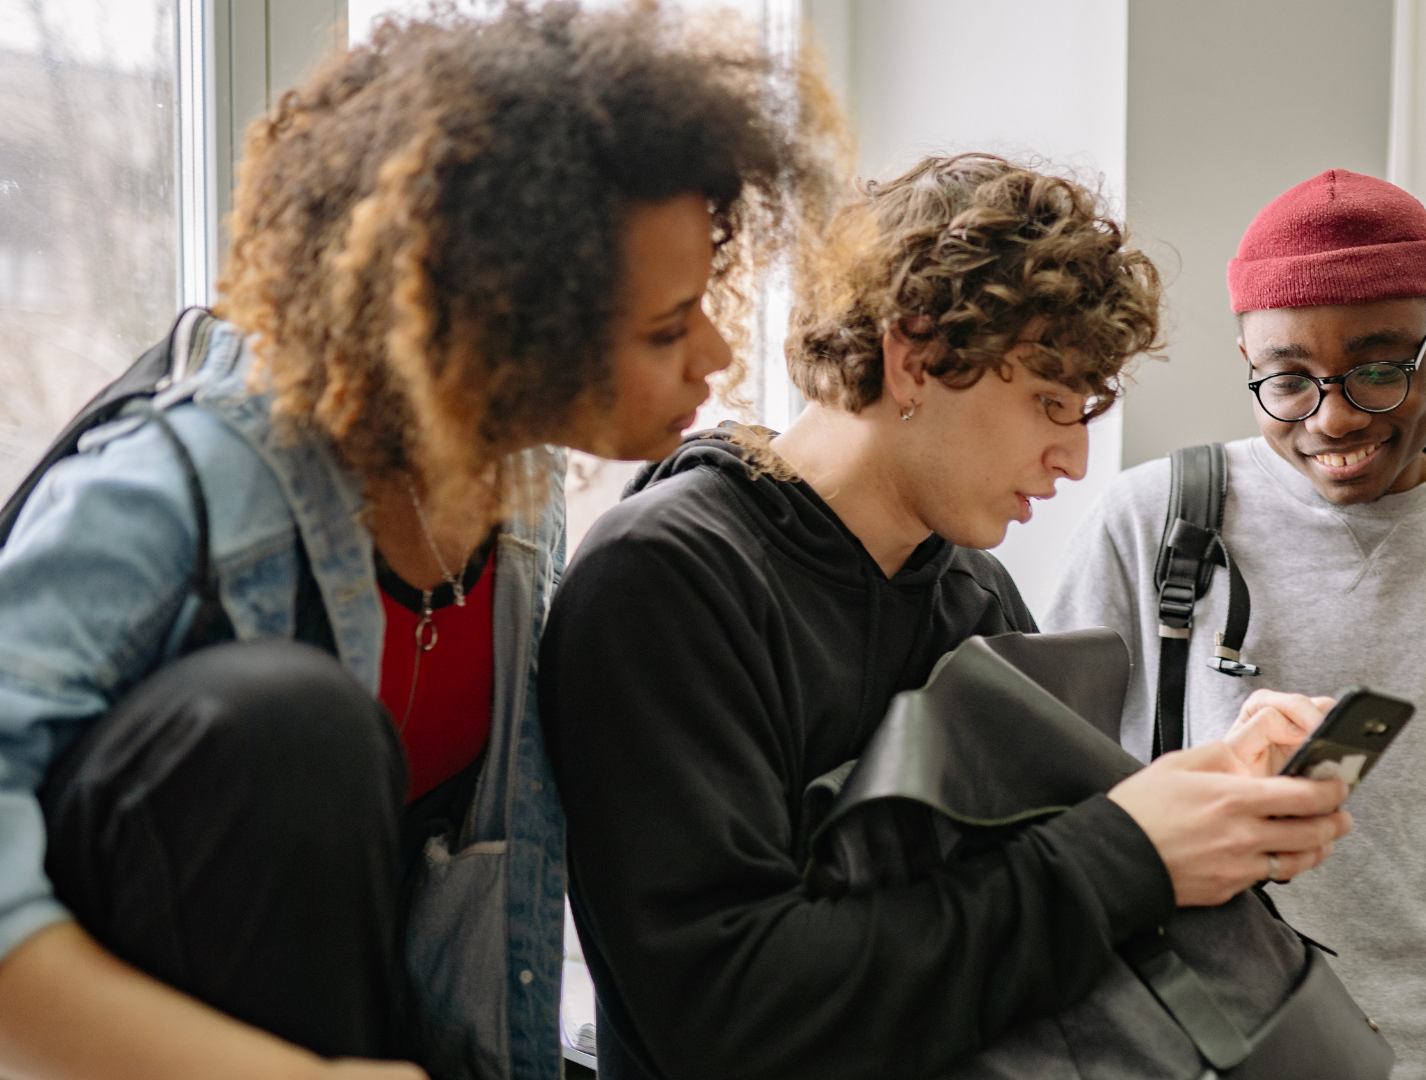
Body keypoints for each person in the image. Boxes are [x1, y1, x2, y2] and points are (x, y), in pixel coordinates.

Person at [0, 5, 832, 1078]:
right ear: (489, 326)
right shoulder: (183, 485)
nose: (715, 353)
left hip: (342, 1022)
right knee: (288, 723)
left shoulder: (513, 486)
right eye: (666, 329)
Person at [540, 154, 1357, 1080]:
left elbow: (1028, 928)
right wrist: (1130, 851)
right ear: (913, 356)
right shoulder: (664, 581)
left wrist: (1212, 812)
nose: (1075, 459)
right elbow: (731, 1011)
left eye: (1085, 412)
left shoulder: (972, 590)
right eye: (1050, 403)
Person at [1045, 170, 1426, 1080]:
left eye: (1379, 369)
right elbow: (1049, 815)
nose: (1334, 418)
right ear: (1248, 362)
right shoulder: (1156, 519)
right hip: (1202, 1050)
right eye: (1289, 381)